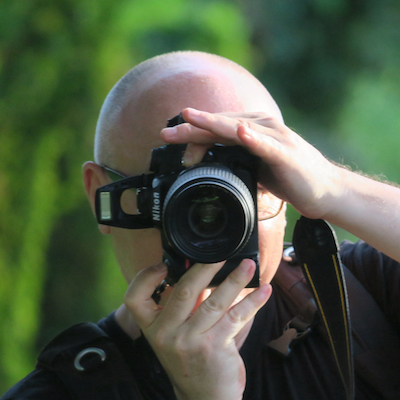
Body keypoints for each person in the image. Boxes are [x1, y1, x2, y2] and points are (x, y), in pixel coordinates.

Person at [2, 50, 400, 400]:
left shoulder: (363, 296)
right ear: (101, 196)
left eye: (247, 185)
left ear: (288, 189)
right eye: (174, 192)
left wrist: (335, 189)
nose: (216, 219)